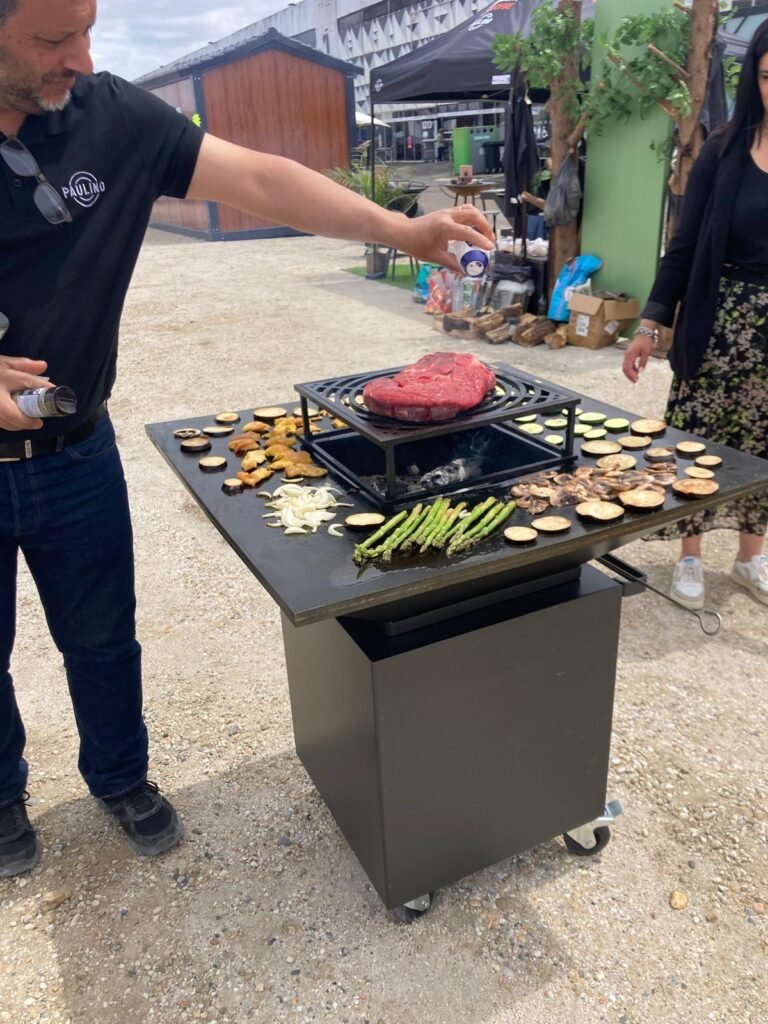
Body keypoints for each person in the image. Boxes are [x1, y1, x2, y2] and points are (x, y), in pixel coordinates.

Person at [0, 0, 494, 878]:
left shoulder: (110, 116)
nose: (81, 56)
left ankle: (120, 778)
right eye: (50, 39)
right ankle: (2, 802)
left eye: (87, 28)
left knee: (105, 637)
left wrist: (401, 230)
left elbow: (262, 179)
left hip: (76, 450)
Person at [622, 19, 768, 614]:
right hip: (718, 319)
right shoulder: (723, 149)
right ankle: (689, 554)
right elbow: (683, 246)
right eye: (767, 77)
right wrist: (652, 320)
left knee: (763, 447)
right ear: (754, 79)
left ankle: (750, 556)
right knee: (696, 439)